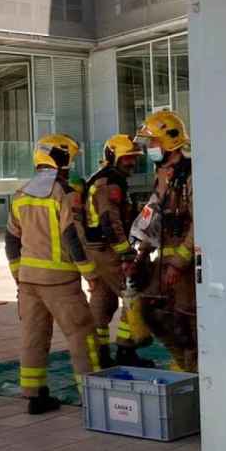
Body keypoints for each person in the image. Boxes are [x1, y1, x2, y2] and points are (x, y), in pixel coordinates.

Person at [6, 134, 100, 414]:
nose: (71, 168)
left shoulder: (21, 194)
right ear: (60, 161)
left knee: (33, 336)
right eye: (69, 161)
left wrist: (17, 273)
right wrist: (90, 274)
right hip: (60, 281)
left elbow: (11, 240)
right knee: (81, 335)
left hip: (28, 281)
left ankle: (34, 394)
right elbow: (72, 237)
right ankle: (93, 396)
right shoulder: (63, 194)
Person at [128, 111, 197, 373]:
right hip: (163, 264)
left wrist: (178, 263)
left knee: (188, 322)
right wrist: (140, 256)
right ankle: (184, 364)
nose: (149, 149)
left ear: (170, 141)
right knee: (149, 310)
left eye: (153, 143)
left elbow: (200, 223)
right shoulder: (163, 176)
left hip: (185, 268)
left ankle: (194, 372)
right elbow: (152, 217)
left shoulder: (190, 176)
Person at [82, 135, 152, 368]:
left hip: (96, 249)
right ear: (114, 157)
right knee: (134, 293)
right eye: (127, 158)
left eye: (133, 158)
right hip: (108, 249)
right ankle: (126, 349)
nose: (131, 163)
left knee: (103, 300)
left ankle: (100, 354)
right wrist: (125, 253)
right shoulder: (112, 182)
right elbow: (109, 220)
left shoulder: (101, 177)